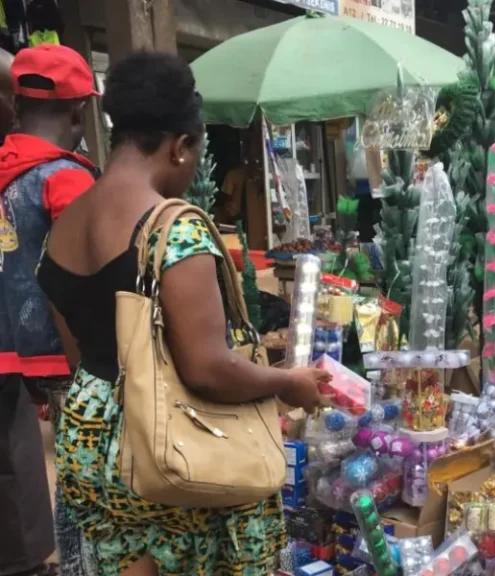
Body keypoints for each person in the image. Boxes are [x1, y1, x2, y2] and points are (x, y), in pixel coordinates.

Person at [36, 50, 329, 576]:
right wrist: (286, 382)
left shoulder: (64, 224)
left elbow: (84, 355)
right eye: (195, 155)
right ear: (181, 146)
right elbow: (206, 367)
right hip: (167, 447)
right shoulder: (175, 228)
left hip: (89, 435)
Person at [0, 45, 100, 576]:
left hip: (9, 346)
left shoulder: (6, 169)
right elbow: (85, 271)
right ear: (79, 111)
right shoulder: (64, 177)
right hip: (61, 353)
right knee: (85, 473)